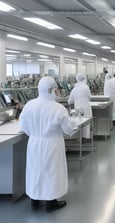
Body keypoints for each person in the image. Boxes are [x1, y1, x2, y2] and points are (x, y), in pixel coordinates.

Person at [19, 77, 77, 211]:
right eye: (56, 90)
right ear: (52, 90)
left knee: (35, 170)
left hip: (34, 142)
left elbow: (23, 125)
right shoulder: (58, 108)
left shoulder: (29, 105)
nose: (57, 92)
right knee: (52, 171)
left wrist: (35, 134)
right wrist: (74, 126)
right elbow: (67, 129)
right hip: (52, 143)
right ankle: (51, 202)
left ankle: (34, 199)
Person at [68, 73, 92, 139]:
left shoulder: (74, 89)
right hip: (86, 108)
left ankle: (79, 138)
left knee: (79, 123)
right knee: (86, 123)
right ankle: (86, 137)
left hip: (78, 108)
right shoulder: (86, 87)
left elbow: (70, 101)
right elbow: (90, 97)